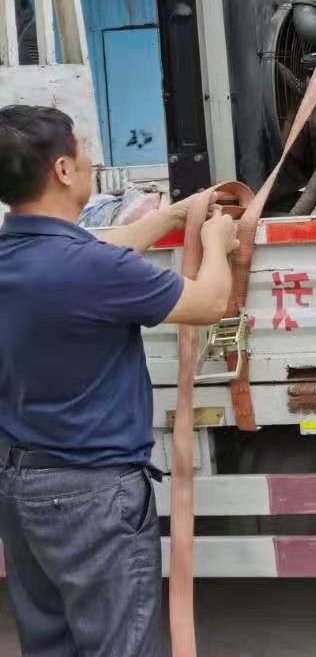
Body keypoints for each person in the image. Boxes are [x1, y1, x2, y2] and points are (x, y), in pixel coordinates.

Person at [0, 105, 237, 657]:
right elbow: (208, 303)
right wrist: (220, 244)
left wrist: (171, 216)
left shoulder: (25, 256)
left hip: (18, 486)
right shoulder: (92, 272)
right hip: (91, 493)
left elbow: (95, 253)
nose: (90, 160)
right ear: (62, 170)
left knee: (50, 643)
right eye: (82, 149)